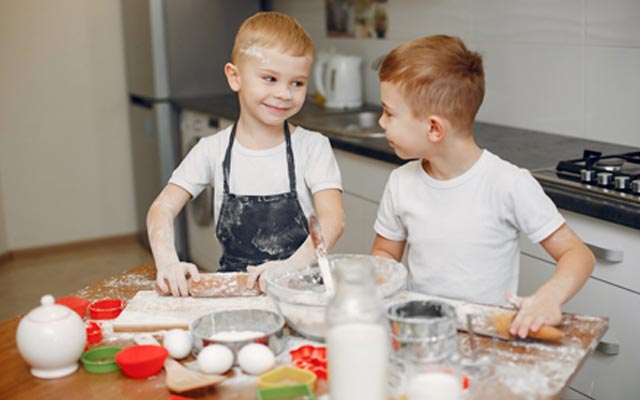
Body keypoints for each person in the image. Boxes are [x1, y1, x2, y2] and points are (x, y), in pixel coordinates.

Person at [371, 35, 595, 338]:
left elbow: (577, 254)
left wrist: (549, 297)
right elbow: (385, 252)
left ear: (434, 128)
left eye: (389, 112)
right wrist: (375, 278)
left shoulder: (508, 184)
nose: (381, 122)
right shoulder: (401, 182)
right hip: (422, 332)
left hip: (489, 337)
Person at [147, 12, 344, 297]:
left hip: (301, 291)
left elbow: (333, 219)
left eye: (297, 83)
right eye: (270, 78)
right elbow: (161, 209)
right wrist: (167, 262)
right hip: (235, 292)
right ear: (235, 77)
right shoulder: (211, 150)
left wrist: (289, 267)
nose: (284, 93)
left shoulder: (313, 147)